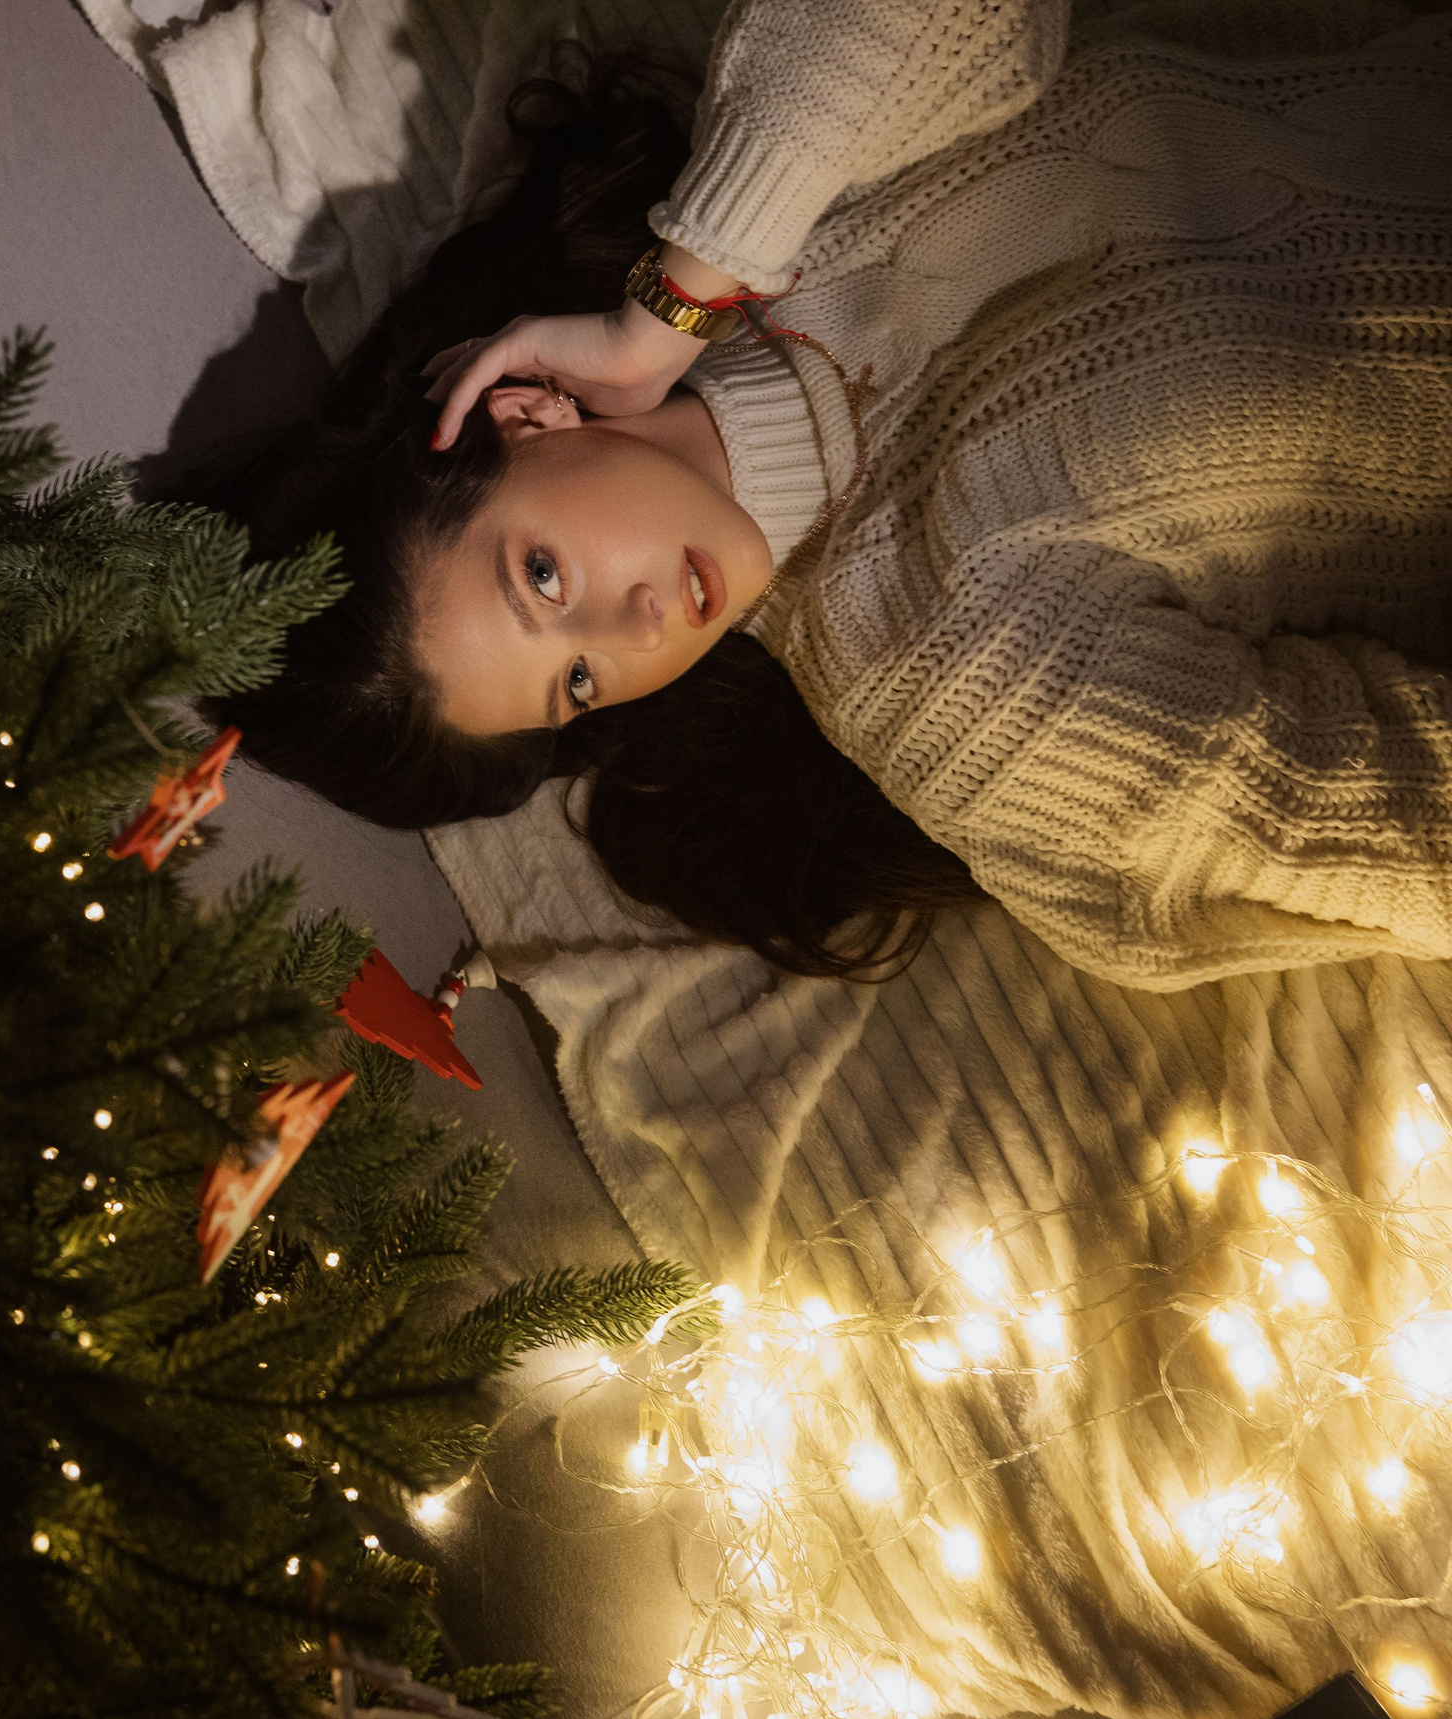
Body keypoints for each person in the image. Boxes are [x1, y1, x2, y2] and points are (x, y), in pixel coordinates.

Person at [203, 0, 1452, 986]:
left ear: (522, 416)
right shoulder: (954, 689)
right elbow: (1379, 820)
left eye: (544, 579)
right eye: (573, 683)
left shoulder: (771, 203)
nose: (640, 635)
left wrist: (670, 308)